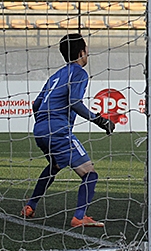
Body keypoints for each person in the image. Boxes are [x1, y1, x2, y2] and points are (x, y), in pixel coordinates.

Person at [21, 34, 115, 227]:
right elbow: (74, 102)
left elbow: (37, 103)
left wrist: (44, 123)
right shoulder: (79, 73)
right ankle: (79, 217)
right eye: (86, 49)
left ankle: (30, 206)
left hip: (40, 130)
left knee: (54, 166)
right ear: (81, 52)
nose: (88, 52)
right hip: (58, 130)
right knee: (90, 173)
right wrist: (100, 120)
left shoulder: (56, 75)